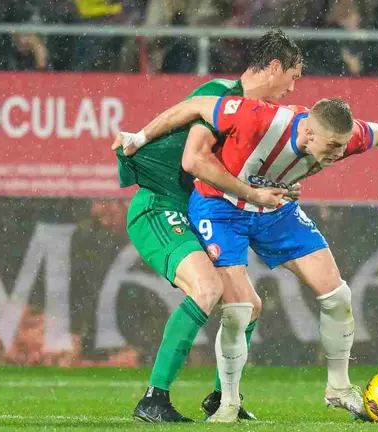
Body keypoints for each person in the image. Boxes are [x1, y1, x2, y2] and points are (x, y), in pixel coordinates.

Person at [120, 94, 378, 423]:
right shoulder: (259, 118)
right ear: (309, 134)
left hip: (273, 210)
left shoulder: (340, 137)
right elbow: (195, 105)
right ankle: (228, 404)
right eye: (333, 146)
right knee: (239, 311)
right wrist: (141, 136)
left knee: (337, 295)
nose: (339, 154)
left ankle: (338, 387)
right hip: (220, 208)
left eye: (343, 145)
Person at [112, 29, 303, 423]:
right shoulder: (223, 95)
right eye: (294, 76)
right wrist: (140, 137)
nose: (293, 87)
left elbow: (240, 174)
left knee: (249, 306)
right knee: (208, 288)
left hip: (192, 212)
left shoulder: (254, 120)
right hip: (158, 207)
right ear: (274, 68)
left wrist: (277, 188)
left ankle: (223, 398)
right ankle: (154, 399)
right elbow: (194, 160)